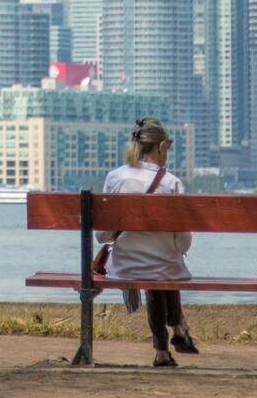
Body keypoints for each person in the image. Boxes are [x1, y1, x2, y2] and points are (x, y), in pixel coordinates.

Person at [98, 117, 199, 367]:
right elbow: (183, 241)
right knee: (164, 269)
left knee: (159, 272)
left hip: (124, 266)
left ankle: (164, 349)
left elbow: (103, 235)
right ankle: (175, 330)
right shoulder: (172, 183)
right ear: (161, 147)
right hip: (165, 267)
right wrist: (177, 251)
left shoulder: (115, 178)